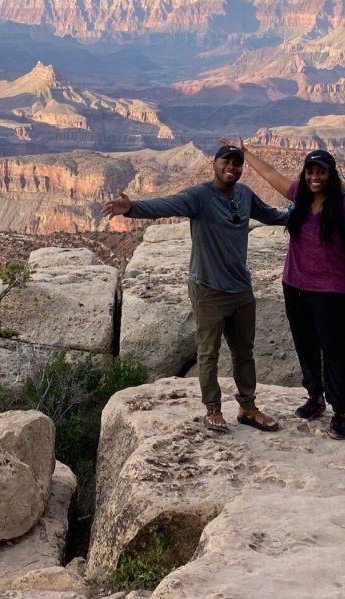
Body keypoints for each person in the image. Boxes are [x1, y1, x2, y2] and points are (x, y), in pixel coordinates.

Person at [103, 143, 289, 434]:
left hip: (240, 288)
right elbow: (166, 204)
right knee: (209, 352)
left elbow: (270, 215)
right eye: (226, 163)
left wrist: (300, 212)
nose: (231, 168)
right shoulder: (199, 196)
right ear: (214, 165)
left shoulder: (244, 195)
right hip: (208, 289)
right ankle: (213, 410)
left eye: (237, 164)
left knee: (244, 352)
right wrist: (132, 208)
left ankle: (248, 408)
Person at [224, 139, 345, 441]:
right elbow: (271, 175)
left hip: (331, 291)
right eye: (310, 171)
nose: (315, 177)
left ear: (330, 174)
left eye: (320, 172)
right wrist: (246, 154)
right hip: (294, 286)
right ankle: (315, 397)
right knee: (305, 345)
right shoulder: (299, 194)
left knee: (334, 351)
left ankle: (340, 412)